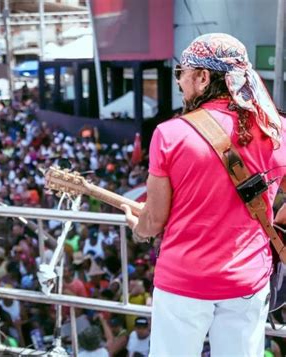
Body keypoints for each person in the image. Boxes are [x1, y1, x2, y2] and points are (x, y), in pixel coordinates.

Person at [121, 33, 286, 356]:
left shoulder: (170, 133)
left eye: (181, 73)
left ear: (202, 77)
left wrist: (137, 226)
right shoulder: (276, 130)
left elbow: (154, 221)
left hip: (184, 282)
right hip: (248, 281)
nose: (179, 82)